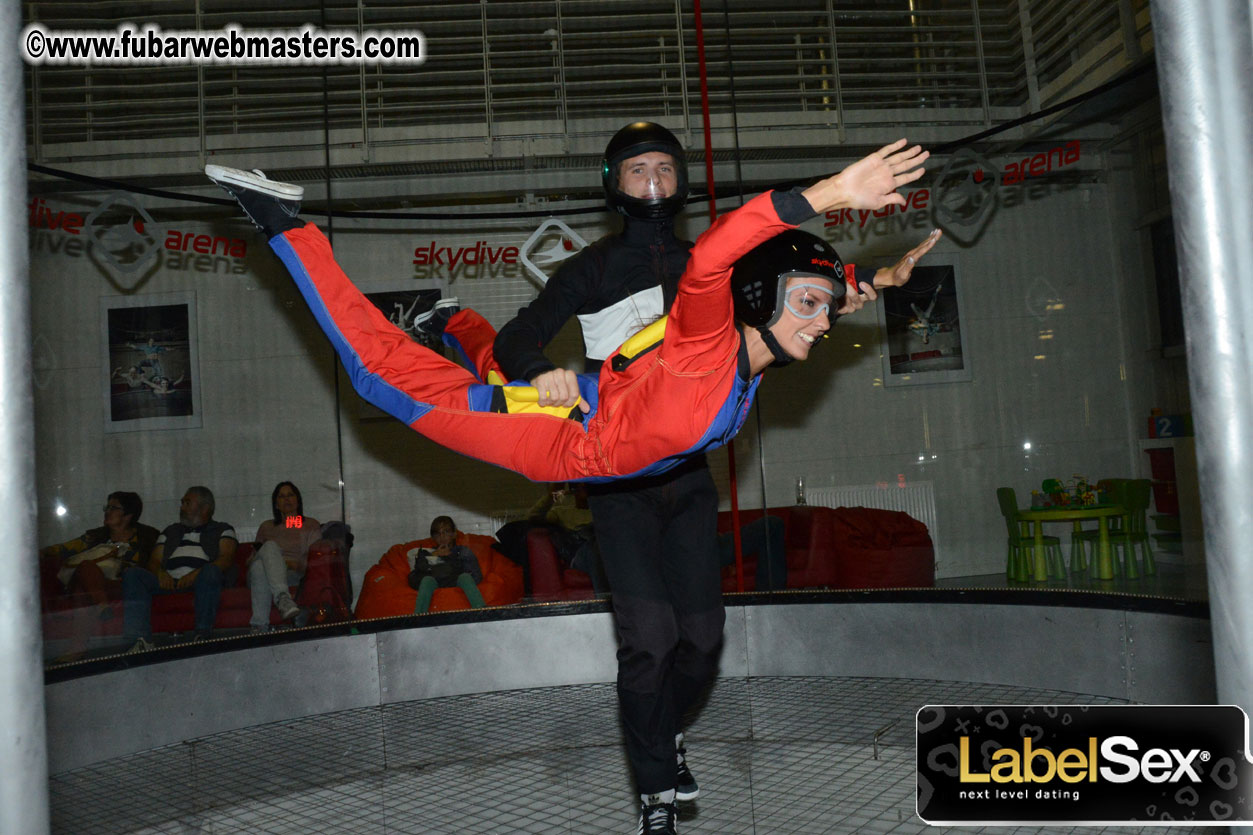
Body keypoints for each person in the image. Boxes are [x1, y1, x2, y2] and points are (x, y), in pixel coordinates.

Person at [207, 138, 938, 832]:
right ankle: (283, 222)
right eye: (807, 305)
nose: (821, 322)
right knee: (386, 379)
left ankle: (456, 320)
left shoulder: (758, 355)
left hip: (603, 407)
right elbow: (720, 251)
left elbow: (809, 301)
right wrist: (835, 191)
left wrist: (870, 283)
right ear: (758, 300)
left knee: (693, 633)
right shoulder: (703, 342)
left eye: (822, 308)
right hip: (564, 439)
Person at [121, 485, 237, 651]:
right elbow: (154, 560)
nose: (182, 507)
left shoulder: (223, 529)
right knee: (133, 574)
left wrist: (195, 575)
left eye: (187, 503)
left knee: (211, 571)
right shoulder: (171, 531)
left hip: (201, 581)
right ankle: (140, 641)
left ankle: (202, 635)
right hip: (168, 582)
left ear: (205, 508)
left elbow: (226, 559)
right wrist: (161, 573)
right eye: (182, 502)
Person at [247, 481, 319, 632]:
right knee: (265, 554)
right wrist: (270, 558)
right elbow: (252, 559)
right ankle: (283, 599)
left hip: (293, 573)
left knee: (261, 567)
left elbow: (312, 559)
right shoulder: (267, 526)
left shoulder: (309, 525)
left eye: (290, 495)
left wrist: (284, 563)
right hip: (261, 571)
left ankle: (259, 626)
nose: (286, 499)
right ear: (276, 504)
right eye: (281, 496)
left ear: (298, 500)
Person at [407, 515, 486, 614]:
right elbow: (415, 578)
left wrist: (450, 556)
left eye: (446, 531)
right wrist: (433, 556)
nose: (442, 536)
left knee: (465, 577)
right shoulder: (427, 552)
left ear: (454, 534)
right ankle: (418, 617)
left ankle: (482, 612)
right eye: (438, 534)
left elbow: (476, 577)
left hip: (455, 580)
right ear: (433, 538)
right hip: (435, 581)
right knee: (427, 580)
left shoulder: (462, 551)